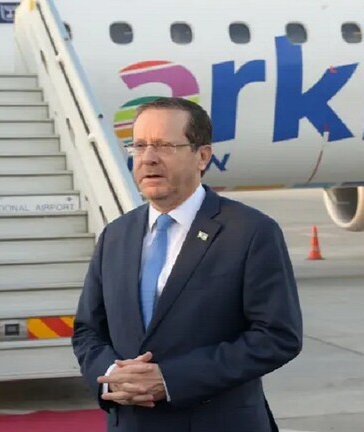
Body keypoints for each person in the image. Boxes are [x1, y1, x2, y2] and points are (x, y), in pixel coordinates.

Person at [72, 97, 303, 432]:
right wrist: (112, 377)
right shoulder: (116, 235)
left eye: (165, 145)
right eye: (139, 146)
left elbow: (277, 336)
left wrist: (171, 379)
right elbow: (88, 330)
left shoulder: (250, 231)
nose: (148, 158)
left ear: (202, 156)